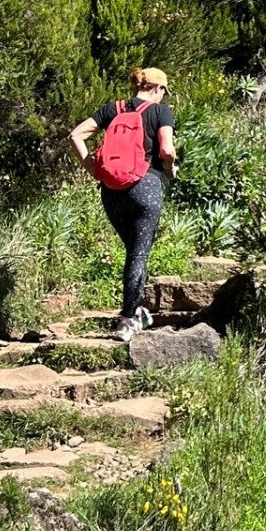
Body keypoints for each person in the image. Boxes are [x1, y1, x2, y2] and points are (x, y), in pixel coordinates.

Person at [69, 68, 178, 342]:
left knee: (133, 250)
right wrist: (169, 168)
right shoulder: (160, 112)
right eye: (164, 92)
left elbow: (76, 135)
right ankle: (128, 319)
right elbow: (166, 149)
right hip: (146, 187)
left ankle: (137, 309)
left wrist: (93, 168)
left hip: (111, 191)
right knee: (138, 254)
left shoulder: (112, 109)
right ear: (158, 89)